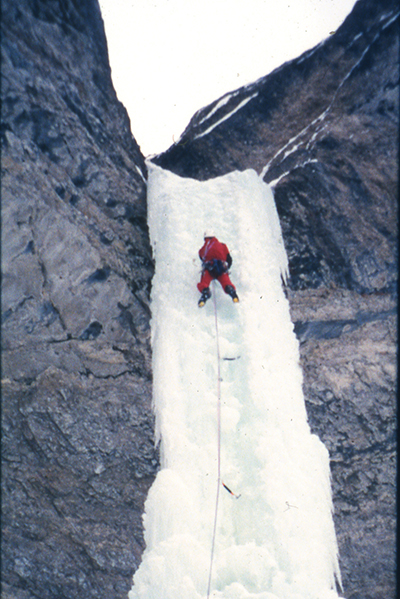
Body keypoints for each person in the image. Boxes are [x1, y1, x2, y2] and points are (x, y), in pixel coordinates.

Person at [197, 232, 239, 307]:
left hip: (209, 269)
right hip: (221, 268)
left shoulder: (204, 247)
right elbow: (229, 259)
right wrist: (226, 268)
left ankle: (205, 292)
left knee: (204, 281)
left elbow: (201, 257)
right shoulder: (223, 245)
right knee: (225, 281)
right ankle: (231, 291)